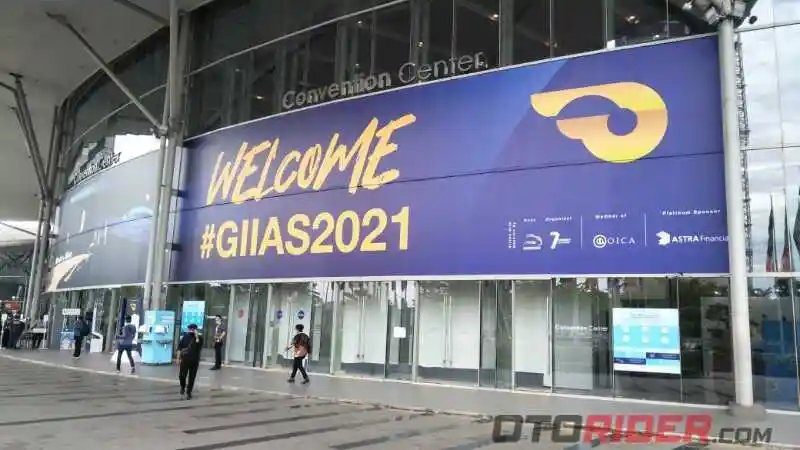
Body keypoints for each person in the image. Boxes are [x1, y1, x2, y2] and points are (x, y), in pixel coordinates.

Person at [177, 323, 203, 400]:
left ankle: (189, 392)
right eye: (190, 329)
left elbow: (199, 346)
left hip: (194, 361)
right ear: (188, 329)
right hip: (185, 360)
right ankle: (182, 387)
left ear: (196, 330)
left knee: (192, 377)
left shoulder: (200, 338)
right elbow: (179, 348)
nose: (192, 330)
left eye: (193, 329)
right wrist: (178, 358)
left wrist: (196, 336)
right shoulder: (185, 337)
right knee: (182, 375)